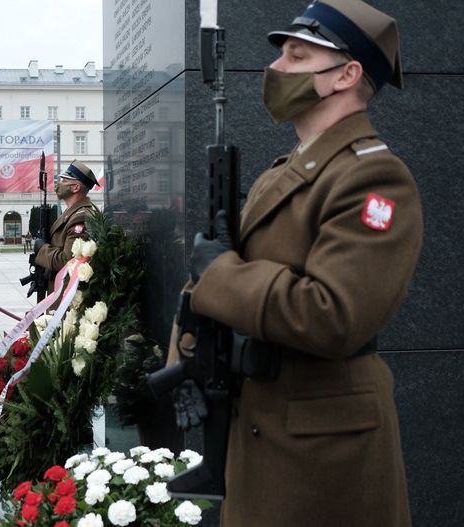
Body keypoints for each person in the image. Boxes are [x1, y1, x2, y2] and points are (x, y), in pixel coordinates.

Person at [177, 1, 420, 525]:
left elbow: (333, 315)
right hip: (265, 430)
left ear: (346, 75)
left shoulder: (373, 179)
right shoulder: (288, 170)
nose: (276, 69)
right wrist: (190, 355)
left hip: (322, 459)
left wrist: (219, 274)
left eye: (296, 55)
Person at [35, 159, 99, 292]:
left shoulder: (80, 217)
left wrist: (42, 249)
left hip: (66, 295)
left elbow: (67, 261)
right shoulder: (71, 213)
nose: (60, 184)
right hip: (58, 288)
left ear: (75, 187)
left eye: (64, 181)